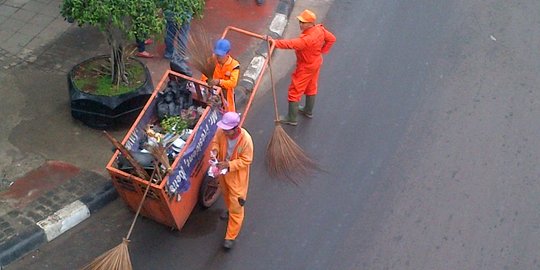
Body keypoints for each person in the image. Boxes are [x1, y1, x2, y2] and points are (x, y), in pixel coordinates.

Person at [270, 9, 336, 125]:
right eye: (300, 21)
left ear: (311, 23)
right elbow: (331, 39)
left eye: (303, 22)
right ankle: (308, 110)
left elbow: (290, 44)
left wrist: (274, 42)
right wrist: (322, 51)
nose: (301, 24)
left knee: (295, 90)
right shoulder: (320, 30)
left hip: (305, 66)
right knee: (311, 86)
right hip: (316, 62)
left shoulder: (306, 40)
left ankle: (292, 118)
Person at [210, 112, 254, 249]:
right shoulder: (221, 131)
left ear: (236, 128)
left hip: (236, 177)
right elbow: (216, 141)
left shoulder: (246, 140)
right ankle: (229, 210)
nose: (224, 132)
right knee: (226, 194)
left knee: (236, 205)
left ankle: (230, 236)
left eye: (227, 130)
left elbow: (247, 160)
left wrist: (229, 165)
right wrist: (215, 151)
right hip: (223, 173)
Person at [202, 39, 240, 112]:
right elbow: (204, 76)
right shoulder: (211, 61)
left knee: (228, 116)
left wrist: (219, 82)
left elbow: (233, 83)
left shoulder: (234, 65)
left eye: (220, 55)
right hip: (212, 93)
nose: (218, 57)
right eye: (217, 54)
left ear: (228, 53)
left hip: (227, 96)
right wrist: (208, 81)